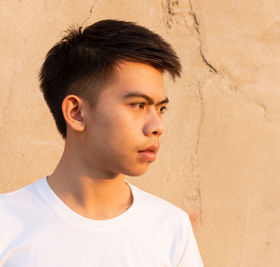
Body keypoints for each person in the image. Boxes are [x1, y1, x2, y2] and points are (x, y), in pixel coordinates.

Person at [0, 19, 204, 267]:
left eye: (161, 108)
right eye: (139, 105)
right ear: (76, 112)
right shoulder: (7, 223)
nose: (157, 126)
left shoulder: (170, 229)